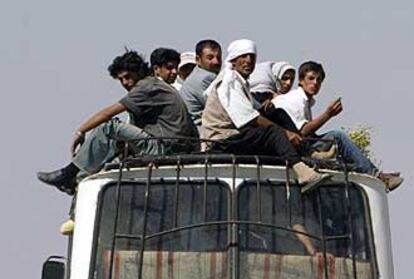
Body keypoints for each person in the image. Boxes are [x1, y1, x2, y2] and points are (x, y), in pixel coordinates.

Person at [37, 48, 199, 195]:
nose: (125, 83)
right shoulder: (151, 87)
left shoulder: (147, 87)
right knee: (110, 145)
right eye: (120, 79)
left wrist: (81, 131)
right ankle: (77, 183)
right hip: (169, 146)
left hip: (167, 148)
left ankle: (69, 173)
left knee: (109, 128)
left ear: (139, 72)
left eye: (128, 77)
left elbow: (108, 113)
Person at [201, 39, 331, 194]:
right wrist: (287, 133)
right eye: (244, 56)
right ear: (234, 60)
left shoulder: (241, 82)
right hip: (221, 140)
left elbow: (254, 109)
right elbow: (249, 119)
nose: (249, 60)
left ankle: (308, 152)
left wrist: (266, 106)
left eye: (252, 57)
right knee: (272, 131)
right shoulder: (228, 83)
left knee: (277, 113)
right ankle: (302, 172)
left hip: (237, 136)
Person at [271, 61, 403, 191]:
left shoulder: (306, 101)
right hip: (292, 147)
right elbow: (303, 132)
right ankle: (377, 176)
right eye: (311, 78)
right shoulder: (295, 99)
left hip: (299, 144)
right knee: (337, 137)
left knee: (337, 145)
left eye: (319, 80)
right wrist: (328, 114)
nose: (315, 83)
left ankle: (364, 172)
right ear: (301, 80)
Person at [180, 39, 222, 127]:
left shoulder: (196, 75)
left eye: (218, 57)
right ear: (198, 60)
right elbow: (222, 109)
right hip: (204, 132)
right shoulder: (207, 77)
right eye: (210, 58)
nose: (216, 62)